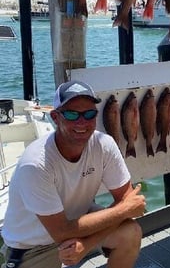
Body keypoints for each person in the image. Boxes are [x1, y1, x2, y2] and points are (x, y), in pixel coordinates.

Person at [0, 80, 146, 268]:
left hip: (77, 224)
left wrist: (87, 244)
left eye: (89, 113)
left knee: (130, 232)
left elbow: (126, 198)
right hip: (32, 246)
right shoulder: (36, 163)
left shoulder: (104, 145)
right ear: (55, 117)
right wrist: (124, 209)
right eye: (71, 114)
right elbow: (61, 232)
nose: (82, 122)